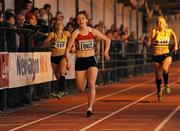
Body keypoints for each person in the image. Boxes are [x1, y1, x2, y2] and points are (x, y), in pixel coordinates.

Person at [65, 10, 111, 117]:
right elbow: (67, 50)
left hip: (91, 60)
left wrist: (105, 52)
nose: (80, 20)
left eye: (82, 18)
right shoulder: (75, 33)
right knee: (81, 88)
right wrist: (68, 62)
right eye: (78, 19)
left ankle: (89, 108)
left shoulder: (93, 31)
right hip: (80, 61)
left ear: (86, 20)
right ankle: (86, 80)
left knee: (91, 84)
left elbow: (108, 39)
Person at [150, 16, 178, 102]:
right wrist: (157, 35)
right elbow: (151, 42)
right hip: (156, 56)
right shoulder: (154, 31)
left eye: (161, 22)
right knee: (158, 77)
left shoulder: (168, 31)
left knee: (165, 68)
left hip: (166, 54)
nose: (159, 24)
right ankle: (159, 91)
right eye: (158, 22)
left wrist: (176, 45)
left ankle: (166, 85)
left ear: (164, 24)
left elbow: (174, 35)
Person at [42, 19, 70, 98]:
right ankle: (62, 90)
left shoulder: (66, 33)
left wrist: (73, 46)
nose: (58, 24)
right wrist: (51, 41)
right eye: (57, 24)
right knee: (57, 76)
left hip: (62, 56)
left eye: (60, 23)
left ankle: (62, 91)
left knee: (61, 72)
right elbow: (43, 45)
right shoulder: (52, 34)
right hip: (54, 57)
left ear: (63, 26)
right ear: (54, 26)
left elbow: (73, 39)